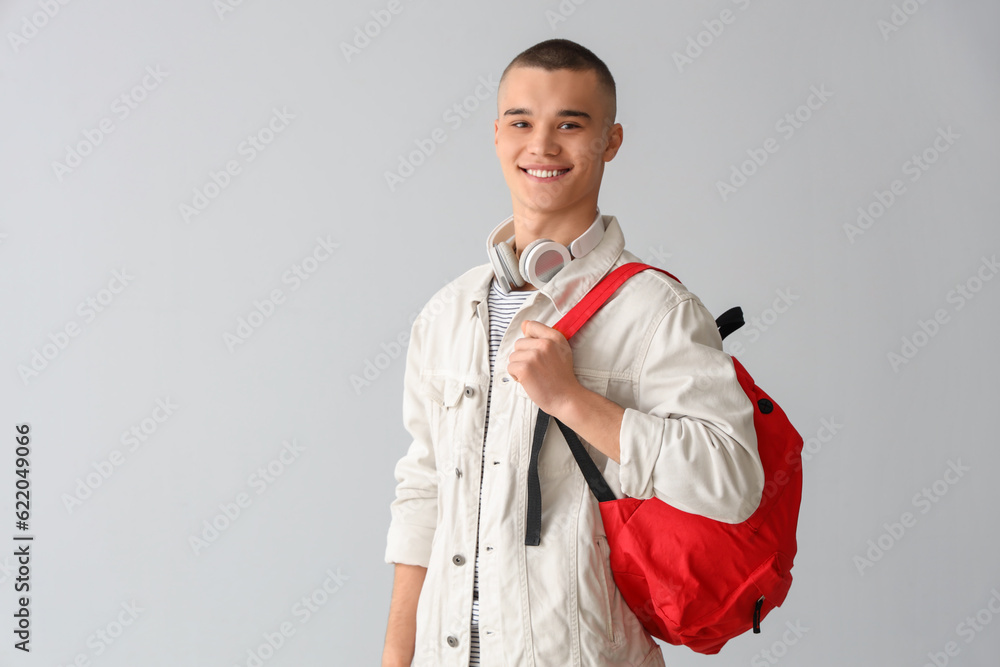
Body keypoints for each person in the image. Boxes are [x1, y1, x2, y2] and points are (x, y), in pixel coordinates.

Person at [382, 38, 764, 667]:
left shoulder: (656, 310)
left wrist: (573, 401)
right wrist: (397, 659)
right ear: (497, 135)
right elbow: (424, 491)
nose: (542, 145)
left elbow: (733, 481)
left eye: (570, 124)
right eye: (521, 122)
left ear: (610, 142)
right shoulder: (448, 314)